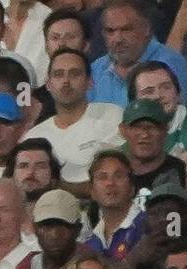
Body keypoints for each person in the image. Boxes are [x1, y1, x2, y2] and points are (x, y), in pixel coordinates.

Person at [28, 48, 123, 192]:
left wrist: (59, 185)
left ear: (90, 82)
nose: (66, 81)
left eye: (74, 74)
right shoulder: (34, 137)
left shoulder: (111, 115)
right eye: (58, 75)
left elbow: (116, 173)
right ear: (48, 84)